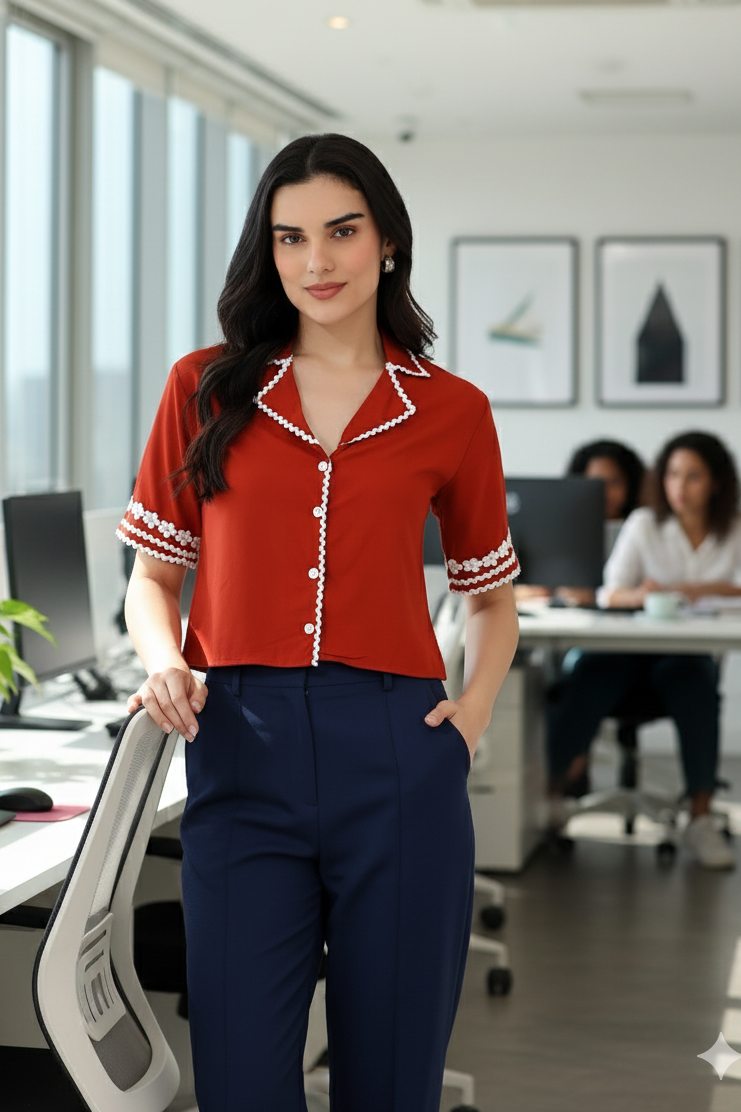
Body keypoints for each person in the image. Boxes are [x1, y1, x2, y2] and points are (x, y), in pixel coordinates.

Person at [118, 133, 520, 1111]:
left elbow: (491, 597)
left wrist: (471, 713)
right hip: (239, 750)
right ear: (269, 251)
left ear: (385, 240)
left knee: (389, 1080)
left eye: (340, 232)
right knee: (243, 1078)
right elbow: (151, 579)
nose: (316, 261)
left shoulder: (450, 409)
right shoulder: (204, 387)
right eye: (290, 238)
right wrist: (164, 658)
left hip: (397, 751)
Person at [547, 430, 741, 869]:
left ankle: (701, 816)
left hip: (683, 657)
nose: (680, 487)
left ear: (715, 482)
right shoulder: (644, 525)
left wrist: (686, 589)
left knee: (696, 684)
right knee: (589, 674)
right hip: (626, 652)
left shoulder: (733, 531)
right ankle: (550, 797)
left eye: (693, 476)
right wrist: (640, 595)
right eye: (672, 474)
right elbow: (610, 593)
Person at [515, 437, 645, 605]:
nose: (605, 492)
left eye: (615, 482)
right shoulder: (558, 528)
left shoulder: (643, 527)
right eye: (596, 482)